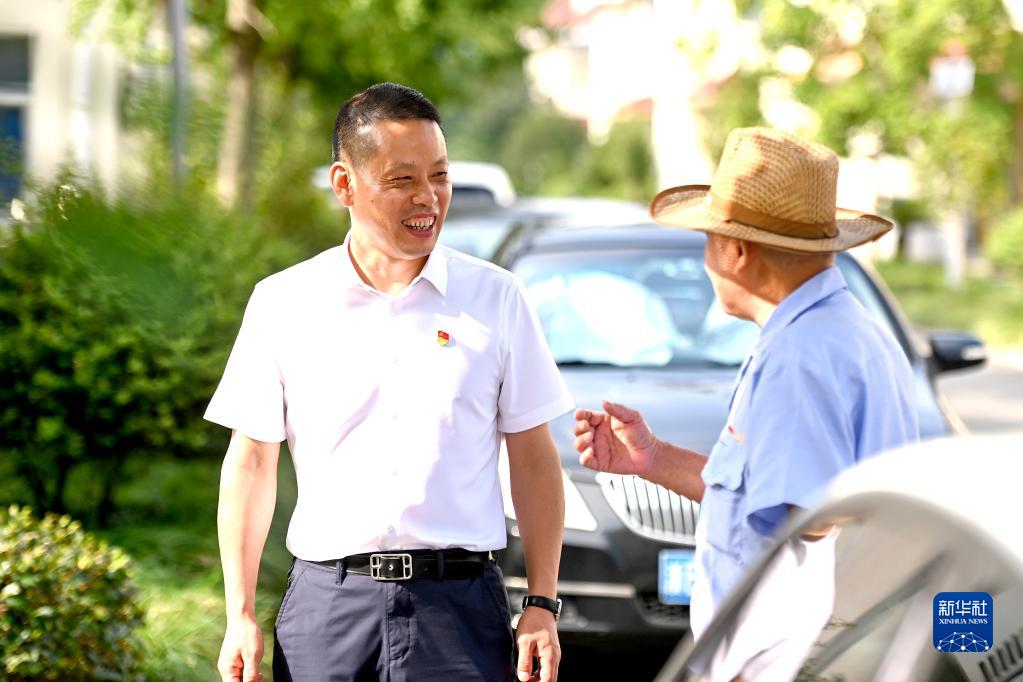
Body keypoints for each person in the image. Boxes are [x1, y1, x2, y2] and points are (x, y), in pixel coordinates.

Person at [207, 82, 573, 682]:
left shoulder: (497, 298)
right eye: (402, 179)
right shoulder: (284, 302)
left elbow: (534, 458)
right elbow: (251, 464)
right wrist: (240, 614)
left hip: (459, 611)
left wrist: (541, 602)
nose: (427, 197)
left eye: (440, 176)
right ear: (345, 184)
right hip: (329, 610)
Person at [573, 127, 919, 680]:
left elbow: (807, 522)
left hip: (782, 660)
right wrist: (653, 458)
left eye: (709, 240)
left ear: (735, 251)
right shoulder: (833, 333)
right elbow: (768, 499)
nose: (706, 258)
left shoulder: (800, 353)